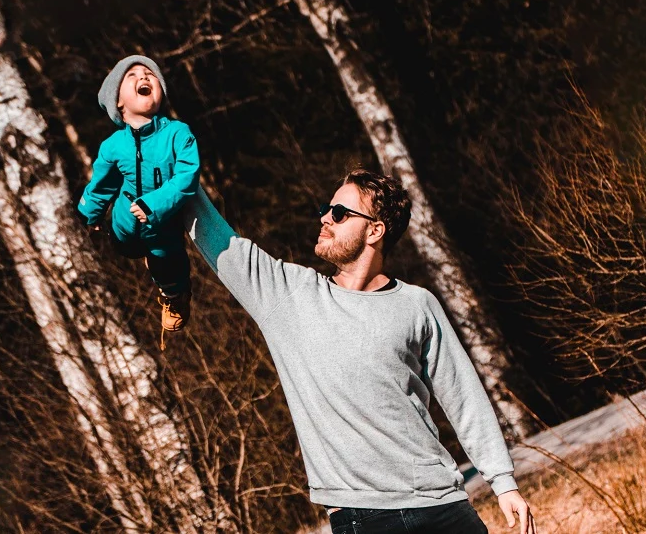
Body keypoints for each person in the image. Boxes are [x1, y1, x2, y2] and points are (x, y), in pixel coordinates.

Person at [181, 167, 535, 533]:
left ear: (375, 230)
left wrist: (503, 482)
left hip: (443, 504)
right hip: (363, 517)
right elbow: (217, 237)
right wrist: (166, 155)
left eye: (339, 213)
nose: (324, 218)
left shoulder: (417, 304)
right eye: (325, 208)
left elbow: (463, 397)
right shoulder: (289, 296)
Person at [77, 55, 199, 346]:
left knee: (167, 262)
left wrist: (153, 204)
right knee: (122, 242)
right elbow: (100, 185)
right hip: (123, 223)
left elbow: (187, 176)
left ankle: (175, 295)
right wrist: (87, 216)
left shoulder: (177, 133)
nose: (143, 78)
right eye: (132, 76)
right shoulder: (113, 145)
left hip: (163, 225)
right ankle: (134, 247)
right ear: (118, 102)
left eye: (150, 74)